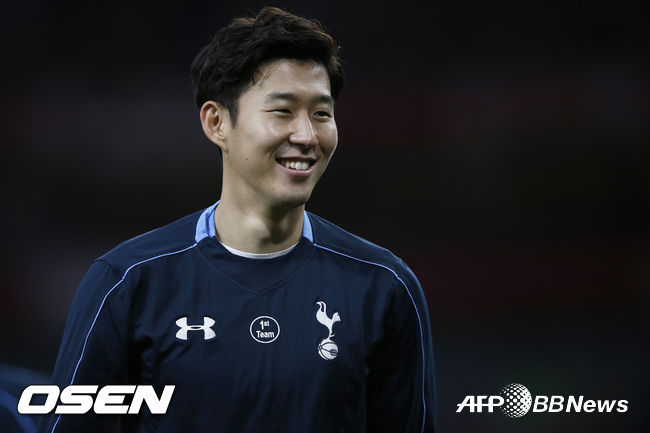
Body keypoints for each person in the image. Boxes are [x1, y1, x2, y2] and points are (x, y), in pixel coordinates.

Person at [39, 7, 436, 433]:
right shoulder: (127, 282)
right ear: (217, 123)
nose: (307, 136)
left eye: (321, 113)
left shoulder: (384, 286)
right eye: (282, 111)